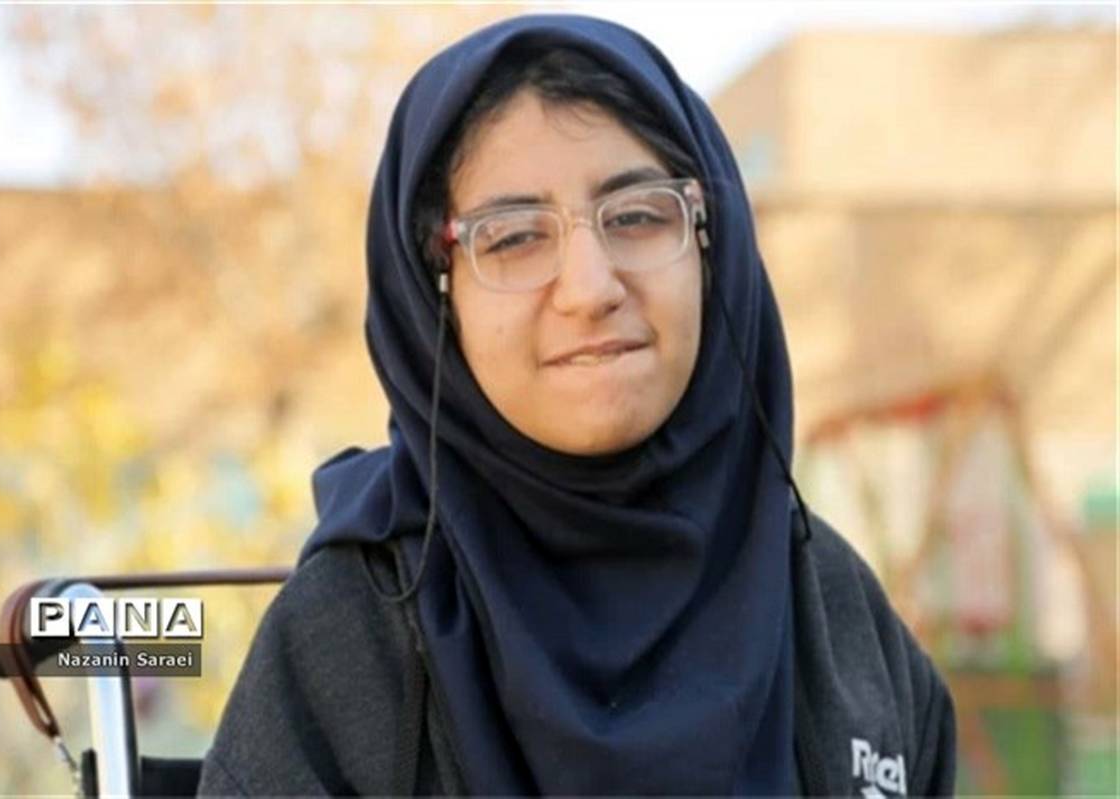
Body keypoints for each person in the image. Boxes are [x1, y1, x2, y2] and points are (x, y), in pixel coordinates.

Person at [197, 13, 956, 797]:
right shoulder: (349, 639)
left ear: (711, 245)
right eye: (513, 237)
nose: (591, 287)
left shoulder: (835, 614)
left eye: (637, 216)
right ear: (434, 293)